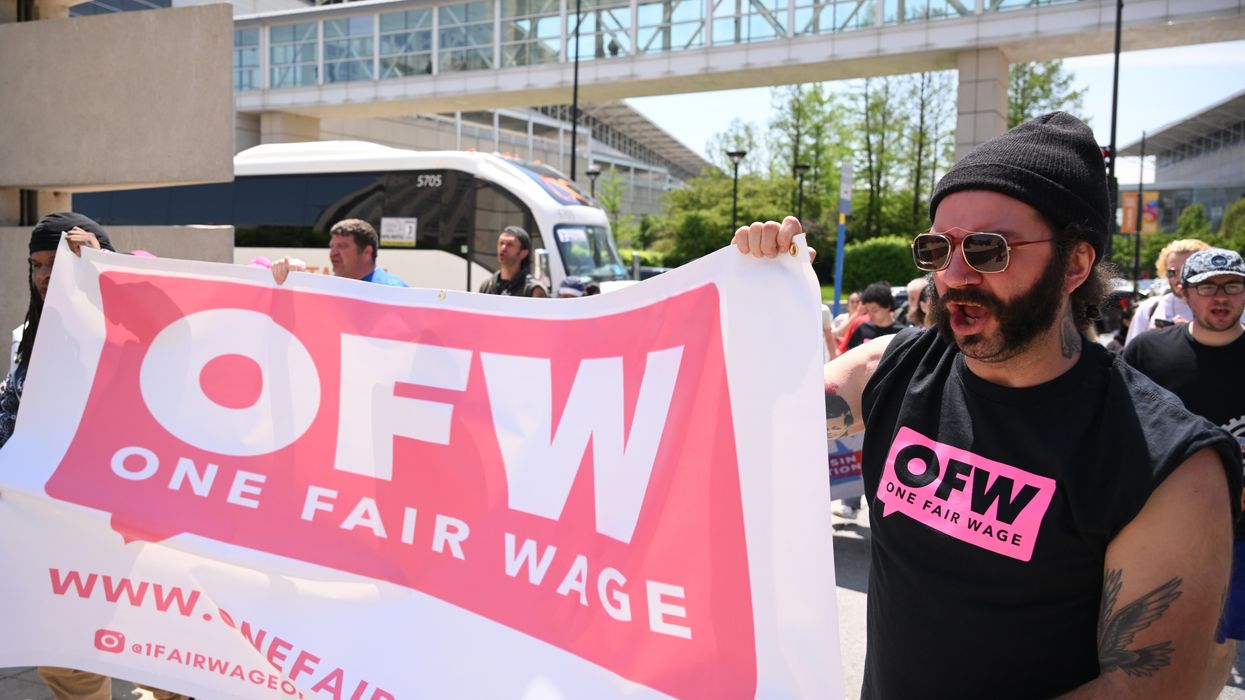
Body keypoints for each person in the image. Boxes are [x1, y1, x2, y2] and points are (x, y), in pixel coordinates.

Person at [733, 112, 1240, 698]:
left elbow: (1142, 688)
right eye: (937, 248)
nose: (952, 275)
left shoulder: (1170, 465)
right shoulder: (896, 366)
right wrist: (754, 294)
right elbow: (741, 419)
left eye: (986, 249)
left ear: (1075, 264)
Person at [0, 212, 189, 700]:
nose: (45, 275)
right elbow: (13, 410)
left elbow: (178, 332)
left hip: (127, 521)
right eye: (36, 264)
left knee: (157, 643)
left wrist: (110, 269)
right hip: (53, 521)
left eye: (57, 262)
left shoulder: (133, 333)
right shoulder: (31, 334)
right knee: (64, 656)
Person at [1122, 248, 1245, 699]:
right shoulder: (1147, 353)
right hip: (1156, 519)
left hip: (1237, 527)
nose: (1221, 297)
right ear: (1183, 291)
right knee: (1141, 631)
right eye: (1208, 286)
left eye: (1232, 285)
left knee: (1218, 637)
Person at [1123, 238, 1209, 346]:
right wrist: (1148, 340)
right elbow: (1130, 356)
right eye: (1172, 273)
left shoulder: (1222, 307)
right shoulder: (1149, 308)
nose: (1179, 278)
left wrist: (1192, 333)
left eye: (1187, 271)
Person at [271, 219, 407, 287]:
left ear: (367, 252)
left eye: (342, 246)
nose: (333, 253)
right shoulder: (330, 287)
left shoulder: (394, 289)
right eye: (332, 247)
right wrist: (292, 276)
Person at [478, 225, 547, 297]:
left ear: (523, 253)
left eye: (510, 244)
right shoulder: (487, 286)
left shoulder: (533, 290)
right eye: (501, 243)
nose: (503, 248)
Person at [845, 281, 906, 350]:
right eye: (867, 310)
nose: (870, 315)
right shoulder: (863, 329)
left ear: (888, 306)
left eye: (874, 310)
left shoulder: (901, 333)